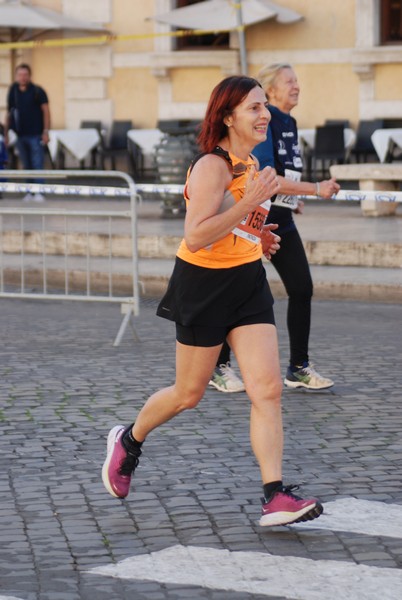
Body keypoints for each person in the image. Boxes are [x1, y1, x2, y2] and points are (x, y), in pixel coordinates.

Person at [102, 75, 323, 527]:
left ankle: (274, 495)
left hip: (247, 283)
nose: (264, 115)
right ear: (228, 117)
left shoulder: (251, 161)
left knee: (267, 389)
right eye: (254, 108)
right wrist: (251, 207)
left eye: (265, 106)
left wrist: (257, 235)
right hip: (202, 286)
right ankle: (129, 439)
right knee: (188, 394)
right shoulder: (210, 166)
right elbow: (197, 234)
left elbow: (234, 220)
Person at [210, 63, 340, 393]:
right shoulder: (263, 124)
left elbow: (284, 175)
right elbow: (265, 176)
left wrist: (293, 197)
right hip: (250, 219)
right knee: (234, 294)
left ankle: (298, 367)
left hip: (281, 219)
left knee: (301, 288)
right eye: (289, 81)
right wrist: (315, 188)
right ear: (271, 90)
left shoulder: (289, 122)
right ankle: (219, 366)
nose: (296, 86)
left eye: (298, 80)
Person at [3, 63, 50, 202]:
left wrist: (46, 131)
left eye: (25, 75)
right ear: (16, 76)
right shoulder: (13, 91)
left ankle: (39, 191)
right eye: (20, 75)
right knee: (26, 164)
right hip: (19, 135)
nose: (22, 77)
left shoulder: (37, 91)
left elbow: (46, 111)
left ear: (29, 76)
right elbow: (9, 112)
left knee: (37, 163)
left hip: (36, 134)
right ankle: (29, 191)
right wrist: (6, 134)